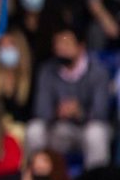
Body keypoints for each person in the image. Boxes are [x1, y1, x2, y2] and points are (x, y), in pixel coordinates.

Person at [27, 28, 112, 169]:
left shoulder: (98, 71)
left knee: (96, 133)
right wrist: (57, 112)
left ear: (81, 46)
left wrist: (79, 112)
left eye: (66, 43)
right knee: (34, 130)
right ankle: (35, 178)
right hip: (58, 130)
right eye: (58, 44)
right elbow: (41, 109)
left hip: (84, 130)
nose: (61, 48)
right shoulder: (47, 70)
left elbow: (101, 112)